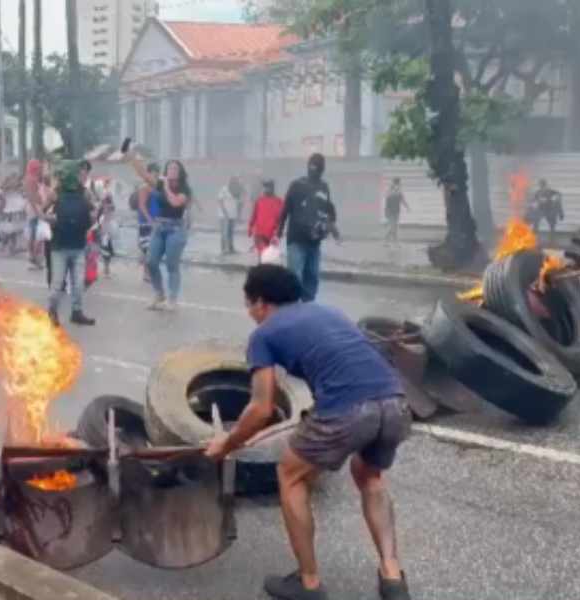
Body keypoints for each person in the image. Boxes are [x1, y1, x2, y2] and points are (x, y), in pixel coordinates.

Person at [206, 264, 412, 600]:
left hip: (348, 411)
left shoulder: (264, 334)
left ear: (260, 302)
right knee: (370, 476)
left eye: (248, 305)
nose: (250, 314)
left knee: (291, 475)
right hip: (395, 403)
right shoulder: (326, 310)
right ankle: (392, 577)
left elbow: (260, 408)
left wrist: (226, 444)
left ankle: (308, 583)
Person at [126, 153, 192, 311]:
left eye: (175, 168)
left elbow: (175, 202)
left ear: (180, 172)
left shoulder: (185, 188)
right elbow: (143, 173)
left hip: (176, 229)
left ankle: (172, 299)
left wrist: (167, 187)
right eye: (169, 168)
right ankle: (159, 293)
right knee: (151, 261)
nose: (172, 170)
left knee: (172, 265)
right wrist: (130, 157)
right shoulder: (160, 184)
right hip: (160, 227)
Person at [277, 153, 339, 303]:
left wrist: (332, 226)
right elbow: (286, 208)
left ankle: (307, 308)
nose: (314, 171)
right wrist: (280, 228)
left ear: (322, 169)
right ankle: (292, 309)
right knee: (295, 277)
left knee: (312, 278)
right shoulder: (297, 185)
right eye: (312, 167)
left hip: (314, 241)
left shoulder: (324, 187)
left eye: (317, 168)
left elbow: (328, 209)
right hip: (296, 239)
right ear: (308, 167)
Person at [45, 160, 96, 327]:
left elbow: (93, 213)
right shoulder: (55, 193)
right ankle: (52, 311)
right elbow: (44, 211)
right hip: (59, 246)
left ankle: (76, 312)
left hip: (78, 246)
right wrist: (52, 219)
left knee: (78, 284)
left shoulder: (85, 193)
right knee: (57, 284)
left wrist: (90, 219)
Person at [133, 163, 162, 283]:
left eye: (157, 171)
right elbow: (142, 206)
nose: (156, 173)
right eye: (153, 171)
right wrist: (150, 220)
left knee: (153, 248)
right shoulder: (144, 187)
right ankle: (147, 273)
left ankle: (149, 272)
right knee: (148, 249)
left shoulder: (156, 187)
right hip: (146, 222)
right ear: (148, 173)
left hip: (156, 221)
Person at [249, 179, 284, 257]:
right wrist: (250, 227)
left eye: (268, 187)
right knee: (262, 255)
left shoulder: (279, 201)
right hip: (260, 233)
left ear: (272, 188)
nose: (266, 189)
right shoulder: (259, 200)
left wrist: (279, 231)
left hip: (273, 234)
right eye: (265, 187)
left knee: (271, 257)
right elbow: (254, 215)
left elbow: (282, 218)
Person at [218, 175, 245, 255]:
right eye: (234, 181)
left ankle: (231, 248)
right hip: (224, 215)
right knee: (224, 233)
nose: (235, 183)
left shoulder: (238, 191)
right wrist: (225, 212)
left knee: (231, 233)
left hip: (233, 215)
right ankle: (223, 249)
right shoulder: (224, 189)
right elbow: (220, 201)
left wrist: (239, 215)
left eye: (236, 181)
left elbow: (240, 203)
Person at [383, 178, 409, 244]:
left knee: (394, 227)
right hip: (390, 211)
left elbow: (402, 200)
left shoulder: (397, 190)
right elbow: (387, 200)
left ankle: (394, 241)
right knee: (392, 227)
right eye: (399, 183)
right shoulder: (391, 190)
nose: (399, 184)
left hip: (395, 211)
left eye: (399, 183)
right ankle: (387, 241)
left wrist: (407, 207)